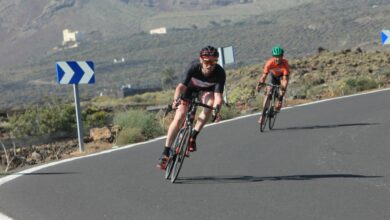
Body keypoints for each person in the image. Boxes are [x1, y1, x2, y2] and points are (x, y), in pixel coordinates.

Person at [157, 45, 226, 170]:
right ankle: (166, 152)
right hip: (189, 90)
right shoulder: (193, 67)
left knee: (210, 105)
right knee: (180, 116)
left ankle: (193, 136)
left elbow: (218, 97)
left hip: (207, 92)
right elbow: (180, 87)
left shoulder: (220, 73)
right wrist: (176, 100)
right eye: (207, 61)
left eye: (214, 61)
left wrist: (217, 111)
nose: (210, 65)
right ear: (201, 60)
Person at [256, 45, 290, 115]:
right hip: (273, 76)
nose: (278, 58)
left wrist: (283, 88)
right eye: (276, 56)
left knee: (283, 88)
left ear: (282, 56)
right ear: (273, 56)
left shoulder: (285, 63)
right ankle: (264, 112)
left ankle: (279, 101)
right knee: (269, 91)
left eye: (279, 56)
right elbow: (264, 76)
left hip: (282, 77)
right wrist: (259, 85)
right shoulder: (269, 63)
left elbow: (285, 79)